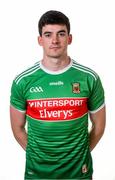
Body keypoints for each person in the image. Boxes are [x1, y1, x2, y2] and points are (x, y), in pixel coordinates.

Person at [10, 10, 106, 179]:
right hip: (37, 174)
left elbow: (99, 126)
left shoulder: (89, 78)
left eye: (61, 34)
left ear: (69, 38)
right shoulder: (23, 81)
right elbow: (17, 128)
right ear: (40, 40)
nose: (54, 41)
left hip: (78, 174)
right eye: (48, 35)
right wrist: (39, 156)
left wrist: (78, 156)